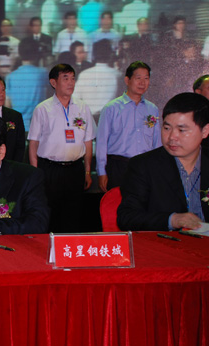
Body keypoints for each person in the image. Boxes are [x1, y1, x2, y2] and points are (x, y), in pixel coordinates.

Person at [117, 93, 209, 231]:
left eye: (181, 130)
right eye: (167, 128)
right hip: (166, 241)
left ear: (205, 131)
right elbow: (127, 217)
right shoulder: (143, 166)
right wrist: (172, 220)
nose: (172, 137)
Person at [28, 63, 96, 232]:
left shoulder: (83, 107)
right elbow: (33, 143)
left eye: (72, 78)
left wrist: (87, 171)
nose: (70, 83)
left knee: (73, 214)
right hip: (50, 169)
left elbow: (88, 141)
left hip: (75, 169)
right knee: (51, 214)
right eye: (65, 78)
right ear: (53, 82)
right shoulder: (43, 109)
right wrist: (35, 174)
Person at [96, 61, 160, 193]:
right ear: (127, 80)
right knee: (118, 204)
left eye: (146, 78)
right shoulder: (111, 108)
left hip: (145, 167)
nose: (142, 83)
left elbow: (157, 142)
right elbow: (101, 143)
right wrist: (101, 171)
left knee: (144, 203)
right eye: (138, 78)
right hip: (119, 166)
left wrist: (157, 168)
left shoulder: (152, 109)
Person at [72, 39, 120, 117]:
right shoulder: (117, 75)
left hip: (88, 118)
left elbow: (75, 99)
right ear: (110, 55)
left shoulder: (84, 74)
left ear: (93, 55)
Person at [6, 40, 47, 131]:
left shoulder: (10, 76)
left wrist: (10, 130)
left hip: (17, 127)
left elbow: (8, 106)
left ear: (20, 54)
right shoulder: (43, 74)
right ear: (37, 54)